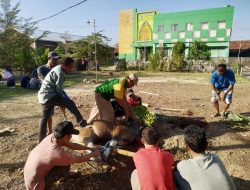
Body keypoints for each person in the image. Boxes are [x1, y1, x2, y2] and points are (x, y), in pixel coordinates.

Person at [24, 121, 100, 190]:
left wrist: (90, 148)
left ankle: (62, 175)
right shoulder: (57, 153)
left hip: (31, 175)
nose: (71, 137)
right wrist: (93, 154)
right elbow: (77, 159)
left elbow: (73, 146)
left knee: (66, 161)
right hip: (36, 185)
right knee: (64, 166)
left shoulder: (52, 136)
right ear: (66, 137)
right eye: (70, 135)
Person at [38, 57, 87, 142]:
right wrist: (63, 103)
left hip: (43, 96)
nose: (71, 69)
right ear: (63, 65)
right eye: (70, 67)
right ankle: (81, 122)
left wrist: (63, 101)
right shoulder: (60, 73)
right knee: (70, 103)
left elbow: (59, 90)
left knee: (44, 118)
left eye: (72, 67)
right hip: (50, 95)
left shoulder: (57, 68)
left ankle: (40, 139)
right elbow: (59, 92)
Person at [174, 125, 236, 190]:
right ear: (206, 145)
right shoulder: (216, 158)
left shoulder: (182, 166)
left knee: (175, 175)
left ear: (187, 147)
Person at [37, 51, 60, 135]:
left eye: (57, 60)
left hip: (54, 93)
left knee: (50, 114)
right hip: (45, 95)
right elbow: (45, 80)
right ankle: (42, 136)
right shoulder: (41, 69)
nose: (56, 61)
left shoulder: (56, 69)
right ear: (49, 59)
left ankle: (50, 131)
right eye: (54, 59)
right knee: (46, 115)